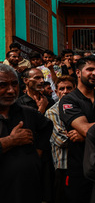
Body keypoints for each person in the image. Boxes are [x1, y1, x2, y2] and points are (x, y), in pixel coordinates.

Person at [0, 64, 53, 203]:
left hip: (27, 190)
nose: (11, 90)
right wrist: (11, 141)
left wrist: (37, 154)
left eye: (14, 84)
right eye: (3, 85)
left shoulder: (27, 112)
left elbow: (47, 126)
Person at [59, 55, 95, 203]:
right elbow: (85, 129)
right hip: (80, 168)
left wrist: (86, 135)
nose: (94, 73)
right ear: (78, 73)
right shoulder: (69, 99)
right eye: (89, 69)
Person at [45, 75, 77, 203]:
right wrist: (83, 135)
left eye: (69, 88)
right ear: (56, 92)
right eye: (61, 89)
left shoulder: (80, 108)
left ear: (75, 89)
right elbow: (61, 140)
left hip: (81, 165)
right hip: (62, 166)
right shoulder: (52, 112)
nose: (65, 91)